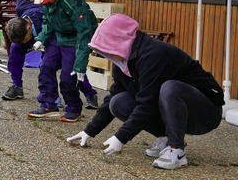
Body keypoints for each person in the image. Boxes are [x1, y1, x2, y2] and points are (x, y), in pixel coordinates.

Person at [67, 13, 224, 170]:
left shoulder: (153, 55)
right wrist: (89, 131)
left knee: (170, 88)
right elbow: (113, 97)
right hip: (176, 108)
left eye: (106, 46)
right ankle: (165, 138)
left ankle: (176, 150)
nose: (104, 54)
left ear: (119, 41)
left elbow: (146, 104)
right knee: (118, 103)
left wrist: (120, 138)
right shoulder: (123, 61)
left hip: (206, 111)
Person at [0, 0, 99, 109]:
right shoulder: (23, 8)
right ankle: (17, 86)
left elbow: (83, 31)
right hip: (41, 36)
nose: (24, 43)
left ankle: (89, 93)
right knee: (16, 49)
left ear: (28, 27)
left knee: (67, 66)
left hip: (55, 37)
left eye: (24, 40)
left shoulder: (55, 9)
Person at [26, 0, 98, 122]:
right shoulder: (47, 2)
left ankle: (73, 107)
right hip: (57, 37)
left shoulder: (73, 4)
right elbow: (47, 21)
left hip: (75, 40)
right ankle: (48, 104)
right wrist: (41, 38)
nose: (45, 1)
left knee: (68, 76)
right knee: (46, 67)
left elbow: (85, 32)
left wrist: (80, 63)